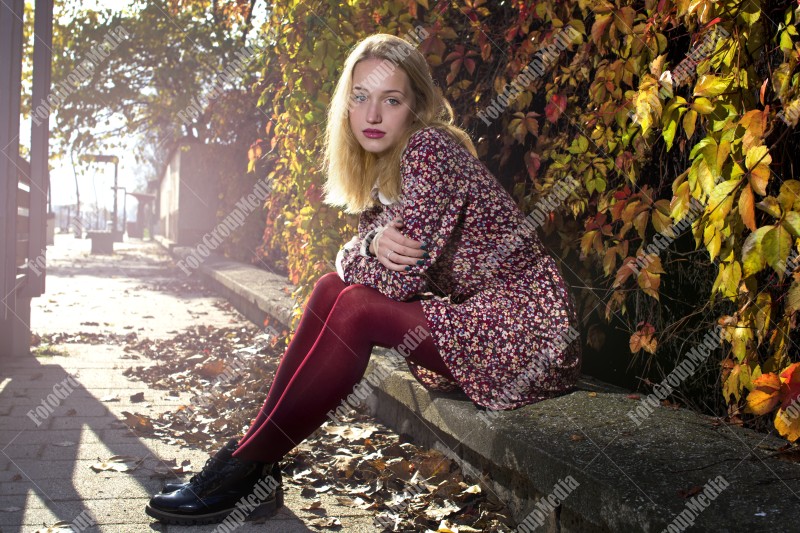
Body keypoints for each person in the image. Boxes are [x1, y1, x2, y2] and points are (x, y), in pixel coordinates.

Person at [145, 32, 581, 526]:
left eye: (390, 100)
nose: (372, 116)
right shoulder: (384, 166)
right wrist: (364, 247)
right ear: (347, 107)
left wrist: (359, 249)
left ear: (415, 106)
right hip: (480, 317)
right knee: (333, 290)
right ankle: (252, 459)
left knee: (354, 306)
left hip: (527, 329)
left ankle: (244, 467)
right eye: (361, 99)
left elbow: (392, 283)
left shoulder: (429, 150)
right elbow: (356, 268)